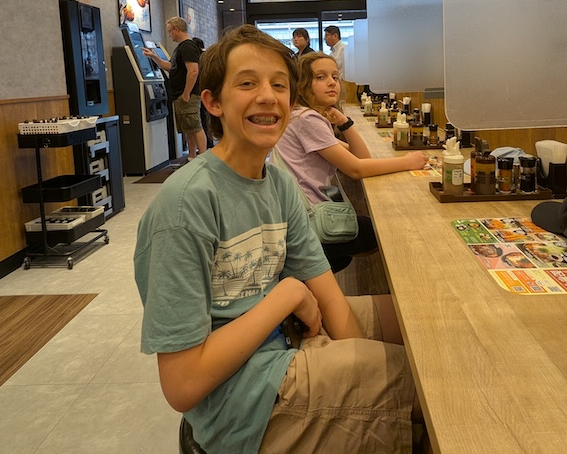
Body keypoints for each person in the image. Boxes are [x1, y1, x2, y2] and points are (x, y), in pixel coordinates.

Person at [134, 26, 419, 453]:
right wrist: (287, 295)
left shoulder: (279, 185)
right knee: (427, 376)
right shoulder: (186, 205)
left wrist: (350, 356)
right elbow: (183, 384)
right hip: (247, 398)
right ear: (213, 102)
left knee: (423, 320)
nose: (268, 96)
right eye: (247, 83)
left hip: (289, 335)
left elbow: (328, 294)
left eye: (279, 85)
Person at [273, 52, 427, 272]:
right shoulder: (307, 119)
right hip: (310, 222)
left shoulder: (302, 115)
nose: (331, 83)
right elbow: (356, 169)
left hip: (301, 217)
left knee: (366, 233)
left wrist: (344, 122)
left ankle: (320, 274)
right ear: (302, 85)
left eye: (335, 77)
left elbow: (361, 158)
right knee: (382, 231)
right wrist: (408, 161)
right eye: (320, 77)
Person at [144, 17, 207, 160]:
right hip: (181, 94)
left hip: (187, 95)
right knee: (189, 128)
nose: (169, 35)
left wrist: (186, 93)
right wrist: (154, 57)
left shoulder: (187, 47)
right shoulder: (181, 48)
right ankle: (192, 157)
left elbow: (193, 71)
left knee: (195, 126)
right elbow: (171, 67)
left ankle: (203, 159)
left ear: (177, 29)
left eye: (170, 31)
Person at [192, 37, 214, 149]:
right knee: (207, 120)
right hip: (209, 90)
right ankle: (209, 144)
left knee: (201, 121)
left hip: (200, 91)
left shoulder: (198, 58)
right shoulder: (208, 56)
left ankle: (205, 147)